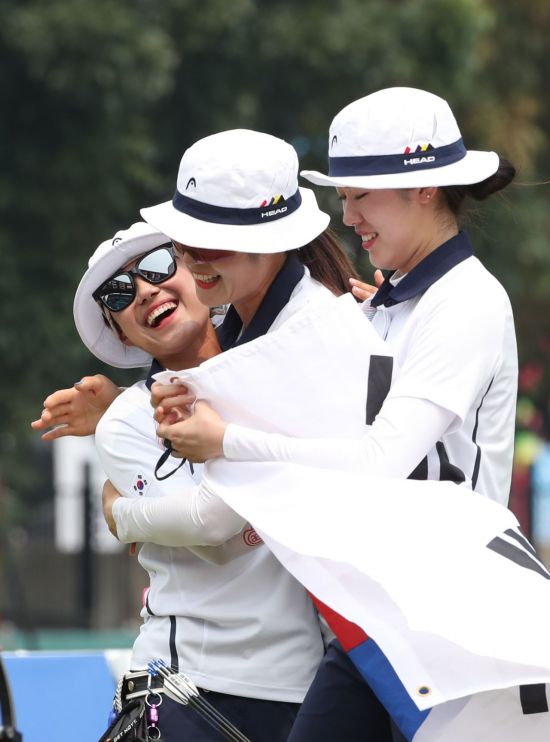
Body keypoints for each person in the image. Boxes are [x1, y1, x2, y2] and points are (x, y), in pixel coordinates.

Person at [151, 88, 519, 741]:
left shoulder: (467, 302)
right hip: (380, 622)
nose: (347, 218)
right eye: (343, 197)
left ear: (425, 189)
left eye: (360, 196)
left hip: (452, 628)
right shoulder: (390, 303)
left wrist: (227, 440)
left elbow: (378, 464)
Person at [32, 129, 365, 741]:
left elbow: (223, 513)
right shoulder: (129, 419)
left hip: (301, 688)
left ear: (193, 270)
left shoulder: (281, 351)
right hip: (185, 688)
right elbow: (218, 535)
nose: (145, 290)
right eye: (118, 294)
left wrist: (122, 514)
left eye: (158, 266)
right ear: (121, 335)